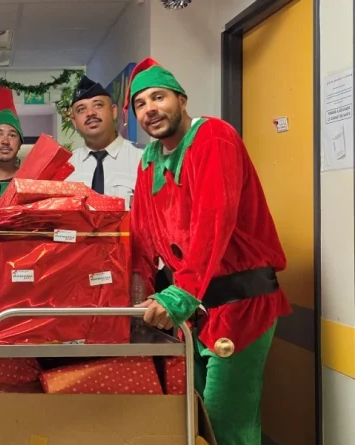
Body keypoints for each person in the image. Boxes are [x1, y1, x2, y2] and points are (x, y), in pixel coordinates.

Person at [125, 57, 291, 445]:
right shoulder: (150, 161)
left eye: (158, 97)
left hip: (240, 304)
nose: (150, 109)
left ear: (182, 100)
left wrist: (180, 294)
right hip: (194, 312)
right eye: (140, 104)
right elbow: (142, 235)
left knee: (225, 424)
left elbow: (213, 221)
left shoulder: (213, 137)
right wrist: (134, 289)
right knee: (194, 421)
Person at [66, 75, 141, 210]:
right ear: (74, 122)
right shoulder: (66, 166)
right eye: (81, 109)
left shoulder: (141, 159)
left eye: (98, 105)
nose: (90, 113)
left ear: (113, 111)